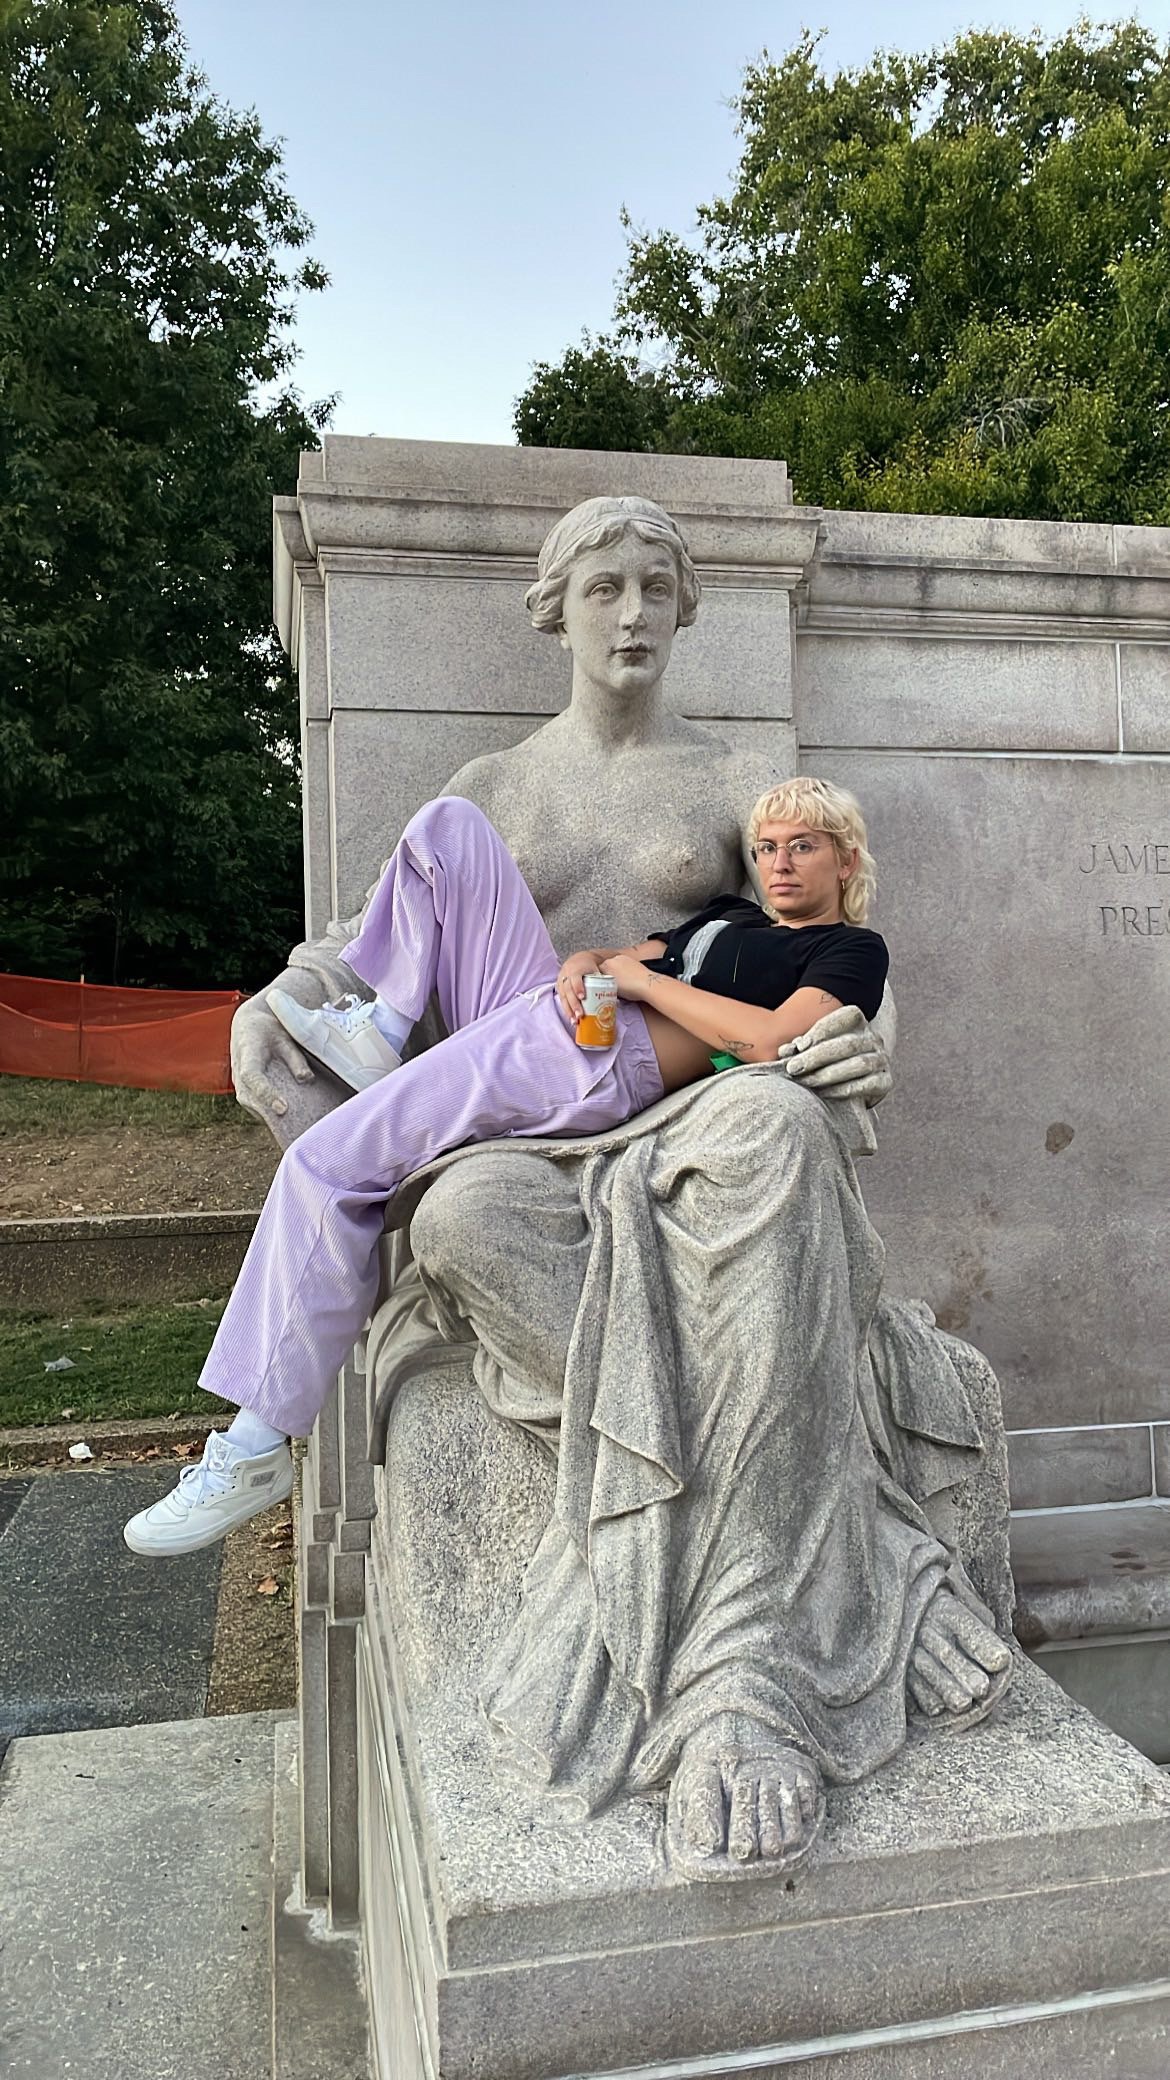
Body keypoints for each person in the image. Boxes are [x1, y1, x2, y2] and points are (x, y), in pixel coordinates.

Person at [123, 773, 888, 1558]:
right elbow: (615, 958)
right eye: (766, 848)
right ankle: (383, 1026)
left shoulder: (847, 950)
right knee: (448, 830)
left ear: (847, 860)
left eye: (803, 847)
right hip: (560, 1019)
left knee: (328, 1163)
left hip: (599, 1068)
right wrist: (581, 964)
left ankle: (253, 1446)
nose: (779, 863)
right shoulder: (730, 916)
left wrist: (643, 984)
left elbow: (770, 1040)